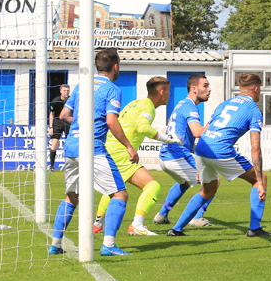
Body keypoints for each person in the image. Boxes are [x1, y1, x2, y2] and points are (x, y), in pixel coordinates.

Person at [48, 48, 139, 257]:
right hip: (93, 148)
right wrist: (128, 146)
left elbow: (64, 114)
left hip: (71, 146)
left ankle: (55, 244)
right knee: (120, 193)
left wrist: (81, 123)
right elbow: (111, 120)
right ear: (115, 66)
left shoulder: (81, 87)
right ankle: (108, 244)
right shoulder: (112, 89)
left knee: (72, 197)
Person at [167, 73, 270, 237]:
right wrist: (258, 180)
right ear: (256, 89)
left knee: (208, 189)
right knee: (261, 179)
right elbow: (255, 147)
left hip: (201, 148)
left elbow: (206, 131)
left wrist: (199, 164)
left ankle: (176, 229)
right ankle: (254, 228)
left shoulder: (224, 104)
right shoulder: (253, 110)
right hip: (220, 150)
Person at [94, 76, 183, 236]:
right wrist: (167, 139)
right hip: (122, 153)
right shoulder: (148, 107)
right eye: (168, 91)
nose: (170, 94)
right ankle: (137, 225)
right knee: (152, 186)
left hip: (112, 148)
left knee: (114, 188)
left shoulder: (135, 103)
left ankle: (98, 223)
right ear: (162, 92)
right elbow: (143, 127)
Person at [153, 74, 213, 226]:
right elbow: (197, 132)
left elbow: (188, 138)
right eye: (205, 85)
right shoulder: (190, 107)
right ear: (194, 89)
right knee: (213, 181)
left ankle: (162, 215)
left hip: (166, 156)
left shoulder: (181, 104)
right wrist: (214, 121)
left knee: (185, 183)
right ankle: (197, 217)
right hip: (177, 155)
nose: (209, 89)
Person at [47, 84, 70, 171]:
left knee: (69, 145)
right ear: (60, 91)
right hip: (57, 123)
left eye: (67, 91)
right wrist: (51, 127)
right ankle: (52, 166)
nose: (66, 92)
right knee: (54, 144)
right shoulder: (55, 101)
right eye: (64, 90)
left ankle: (69, 165)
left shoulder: (72, 100)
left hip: (68, 123)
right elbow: (52, 114)